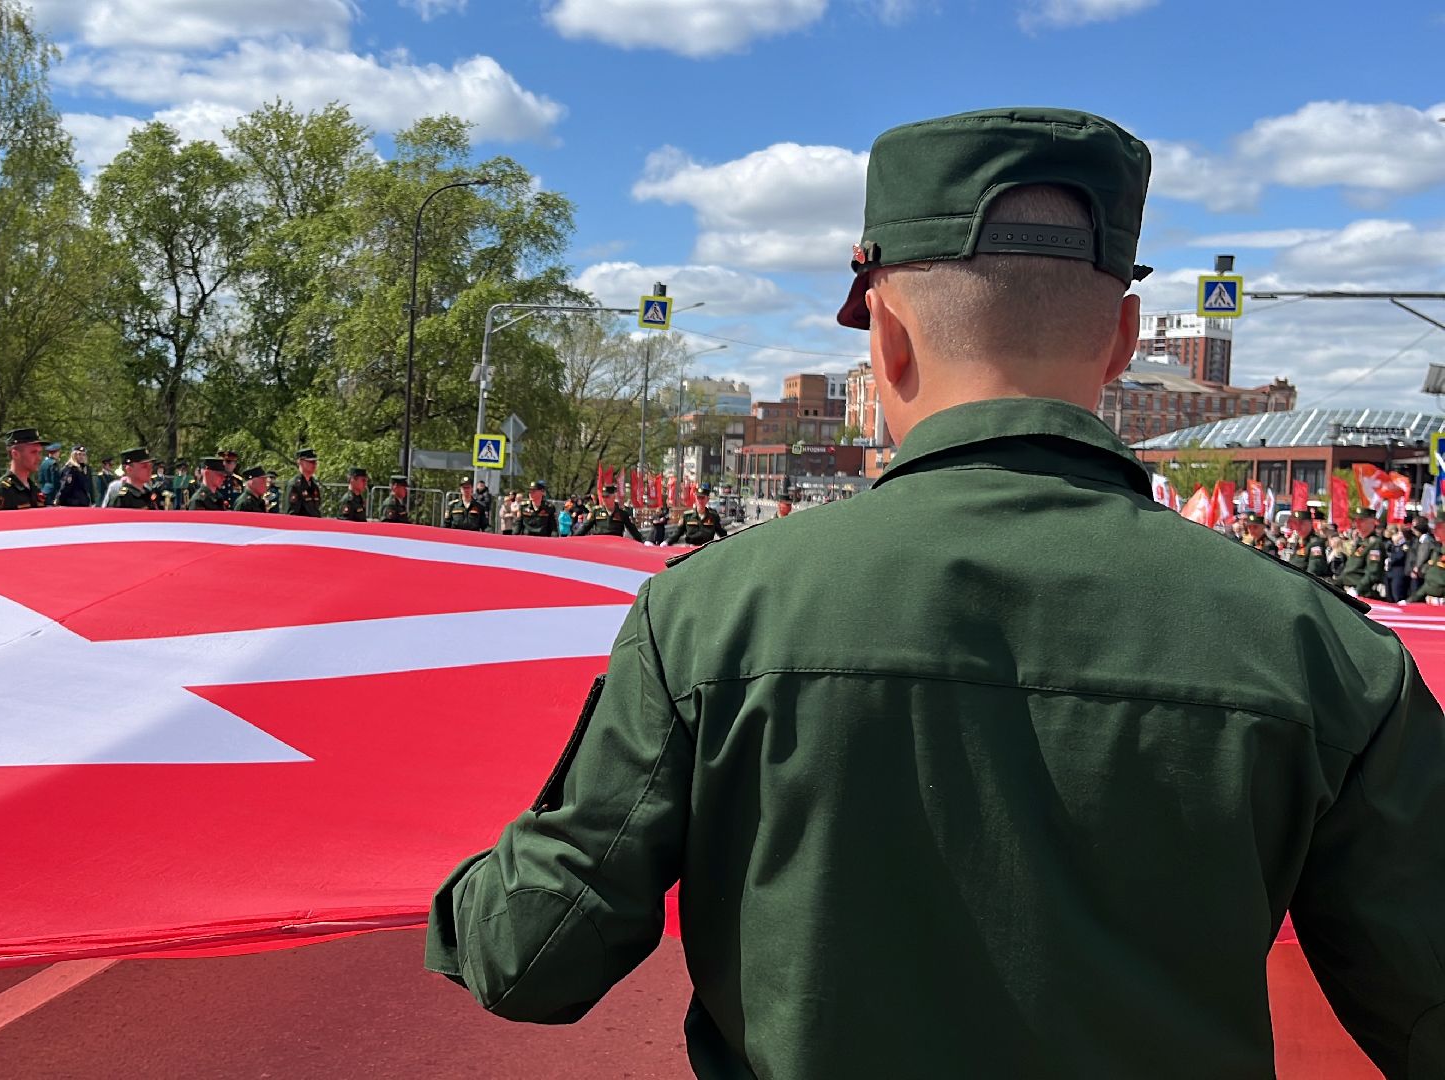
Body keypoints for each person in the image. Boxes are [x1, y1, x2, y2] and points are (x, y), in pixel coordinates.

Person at [425, 107, 1445, 1078]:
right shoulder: (1324, 654)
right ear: (1124, 338)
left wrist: (438, 872)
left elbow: (532, 957)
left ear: (887, 339)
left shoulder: (713, 613)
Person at [0, 429, 49, 510]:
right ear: (15, 454)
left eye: (39, 452)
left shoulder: (34, 488)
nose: (39, 458)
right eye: (33, 452)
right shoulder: (3, 490)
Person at [1338, 512, 1386, 598]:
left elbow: (1373, 573)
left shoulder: (1375, 544)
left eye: (1361, 521)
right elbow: (1350, 569)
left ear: (1372, 522)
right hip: (1348, 589)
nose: (1357, 524)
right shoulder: (1361, 543)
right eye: (1356, 521)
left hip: (1363, 593)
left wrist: (1357, 590)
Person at [574, 484, 644, 541]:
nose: (604, 499)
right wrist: (572, 538)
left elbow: (633, 530)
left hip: (615, 545)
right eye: (603, 496)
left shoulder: (622, 514)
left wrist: (644, 541)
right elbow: (584, 528)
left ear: (614, 496)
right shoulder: (596, 512)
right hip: (599, 544)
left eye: (607, 496)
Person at [286, 449, 325, 517]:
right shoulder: (295, 485)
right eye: (311, 462)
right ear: (300, 462)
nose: (314, 464)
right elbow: (292, 514)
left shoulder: (314, 486)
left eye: (315, 462)